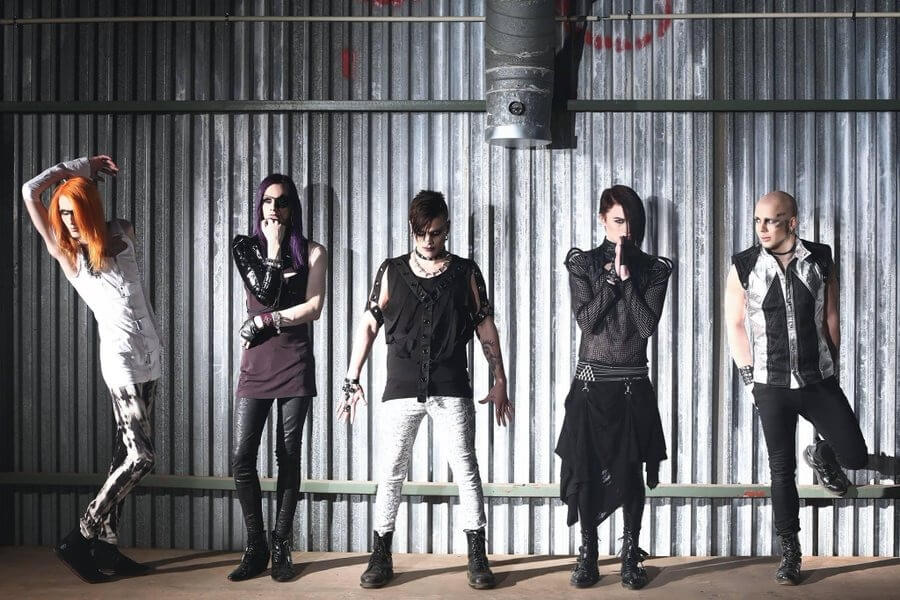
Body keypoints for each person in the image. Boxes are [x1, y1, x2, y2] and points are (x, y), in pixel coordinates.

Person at [340, 190, 513, 590]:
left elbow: (485, 326)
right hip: (401, 387)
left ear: (447, 228)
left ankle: (477, 555)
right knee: (391, 471)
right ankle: (380, 555)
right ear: (412, 230)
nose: (428, 240)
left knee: (466, 469)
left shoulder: (466, 272)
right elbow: (368, 324)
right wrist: (352, 378)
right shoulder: (391, 270)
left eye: (435, 232)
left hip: (451, 386)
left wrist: (500, 379)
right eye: (421, 233)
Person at [22, 155, 161, 583]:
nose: (68, 221)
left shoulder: (122, 232)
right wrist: (77, 167)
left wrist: (83, 185)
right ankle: (81, 535)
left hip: (150, 357)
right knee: (141, 458)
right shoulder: (68, 255)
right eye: (62, 214)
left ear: (90, 209)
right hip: (121, 362)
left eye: (75, 211)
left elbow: (105, 225)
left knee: (122, 456)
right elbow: (30, 191)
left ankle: (107, 548)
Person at [724, 191, 868, 585]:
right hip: (770, 385)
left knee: (854, 455)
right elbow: (735, 324)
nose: (762, 228)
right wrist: (750, 381)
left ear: (792, 222)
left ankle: (820, 453)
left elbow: (831, 316)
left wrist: (831, 367)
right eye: (758, 220)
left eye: (771, 220)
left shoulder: (820, 258)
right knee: (781, 471)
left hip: (816, 379)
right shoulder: (744, 265)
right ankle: (790, 552)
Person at [556, 185, 673, 590]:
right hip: (591, 386)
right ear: (602, 219)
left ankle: (629, 555)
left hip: (631, 386)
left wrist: (626, 280)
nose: (626, 230)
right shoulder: (583, 263)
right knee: (586, 470)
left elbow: (645, 326)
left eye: (631, 222)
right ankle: (588, 554)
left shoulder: (654, 269)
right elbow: (587, 322)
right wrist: (609, 280)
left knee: (631, 472)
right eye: (618, 220)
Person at [227, 174, 327, 582]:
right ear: (259, 206)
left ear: (293, 208)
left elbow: (314, 307)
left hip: (294, 361)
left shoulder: (314, 252)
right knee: (242, 458)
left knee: (287, 455)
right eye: (268, 201)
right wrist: (271, 247)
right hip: (257, 363)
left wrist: (266, 321)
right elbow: (267, 294)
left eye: (282, 201)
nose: (274, 208)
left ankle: (281, 544)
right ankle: (256, 546)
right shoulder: (245, 246)